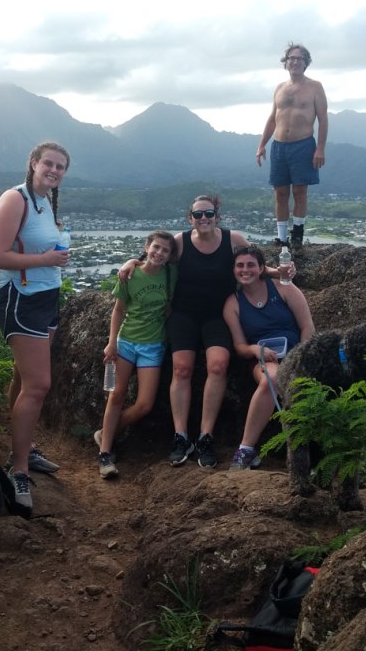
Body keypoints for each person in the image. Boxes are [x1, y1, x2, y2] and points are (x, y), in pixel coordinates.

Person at [120, 194, 293, 470]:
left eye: (209, 214)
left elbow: (253, 263)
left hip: (217, 315)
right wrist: (131, 262)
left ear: (217, 216)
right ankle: (180, 436)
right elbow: (154, 259)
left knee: (218, 365)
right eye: (198, 214)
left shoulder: (233, 239)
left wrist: (277, 273)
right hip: (183, 315)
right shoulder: (181, 242)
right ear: (190, 218)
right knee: (182, 368)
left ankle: (206, 436)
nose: (204, 219)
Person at [0, 142, 71, 509]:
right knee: (39, 384)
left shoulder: (44, 202)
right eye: (48, 163)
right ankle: (18, 468)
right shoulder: (15, 199)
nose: (54, 170)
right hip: (21, 299)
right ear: (34, 163)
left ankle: (23, 447)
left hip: (45, 296)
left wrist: (51, 258)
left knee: (24, 377)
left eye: (60, 167)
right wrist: (46, 258)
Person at [222, 245, 315, 470]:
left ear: (262, 268)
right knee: (272, 379)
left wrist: (301, 357)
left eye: (251, 265)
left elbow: (307, 327)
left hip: (297, 353)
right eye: (240, 266)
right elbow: (240, 347)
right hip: (264, 360)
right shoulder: (233, 304)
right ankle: (246, 450)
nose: (245, 270)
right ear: (233, 270)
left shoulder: (283, 288)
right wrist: (256, 350)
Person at [95, 230, 178, 479]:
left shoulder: (171, 274)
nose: (159, 253)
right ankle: (105, 454)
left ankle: (104, 433)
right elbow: (118, 310)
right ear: (146, 247)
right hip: (126, 343)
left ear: (170, 255)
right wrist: (111, 343)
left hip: (153, 345)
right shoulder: (130, 274)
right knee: (116, 394)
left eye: (165, 250)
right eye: (156, 247)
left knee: (144, 405)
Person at [256, 42, 329, 248]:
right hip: (279, 146)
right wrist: (262, 145)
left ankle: (297, 236)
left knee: (299, 192)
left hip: (303, 145)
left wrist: (320, 148)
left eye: (299, 58)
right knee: (280, 193)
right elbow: (273, 118)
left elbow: (323, 119)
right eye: (291, 58)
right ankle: (281, 238)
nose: (295, 62)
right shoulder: (280, 88)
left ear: (306, 63)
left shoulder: (315, 87)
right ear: (286, 62)